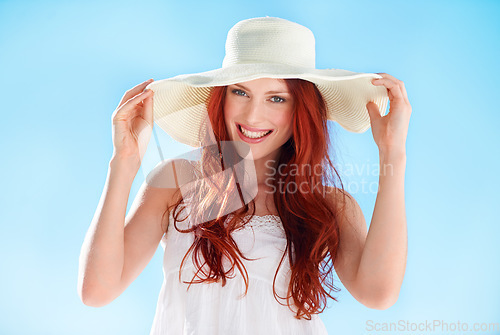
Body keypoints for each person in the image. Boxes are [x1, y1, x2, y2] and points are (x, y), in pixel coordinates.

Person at [78, 17, 411, 334]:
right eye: (240, 92)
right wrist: (123, 162)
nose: (254, 115)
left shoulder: (328, 204)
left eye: (277, 98)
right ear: (221, 98)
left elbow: (378, 293)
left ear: (302, 110)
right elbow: (97, 290)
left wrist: (392, 154)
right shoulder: (177, 181)